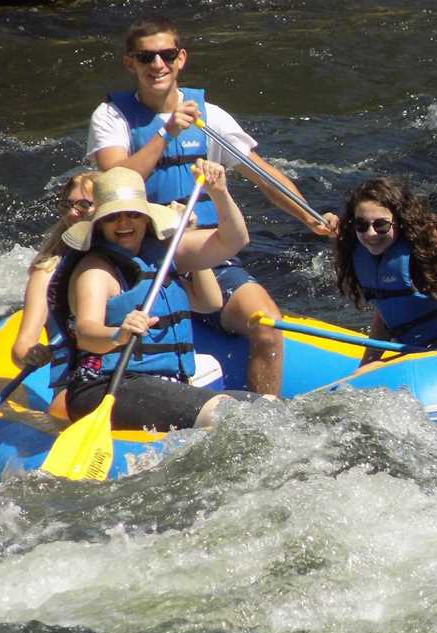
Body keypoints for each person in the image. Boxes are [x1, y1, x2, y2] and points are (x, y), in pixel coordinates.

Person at [86, 15, 335, 395]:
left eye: (166, 55)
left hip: (206, 253)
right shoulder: (112, 116)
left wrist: (309, 217)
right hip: (140, 251)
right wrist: (166, 132)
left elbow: (262, 174)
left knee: (267, 325)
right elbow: (117, 181)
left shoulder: (209, 116)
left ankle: (265, 420)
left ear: (181, 58)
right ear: (130, 63)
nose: (157, 65)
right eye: (146, 57)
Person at [59, 162, 260, 432]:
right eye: (112, 217)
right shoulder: (96, 270)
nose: (123, 223)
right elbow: (85, 332)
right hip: (108, 387)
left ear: (146, 218)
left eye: (133, 214)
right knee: (226, 413)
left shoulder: (161, 255)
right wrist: (118, 334)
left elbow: (214, 291)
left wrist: (219, 194)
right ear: (100, 224)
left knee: (267, 407)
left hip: (164, 384)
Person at [335, 177, 437, 366]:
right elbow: (388, 310)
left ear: (400, 221)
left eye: (381, 225)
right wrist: (368, 363)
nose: (370, 234)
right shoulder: (363, 254)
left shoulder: (436, 246)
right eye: (361, 225)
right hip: (419, 353)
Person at [11, 171, 99, 419]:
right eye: (67, 205)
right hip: (76, 382)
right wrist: (31, 352)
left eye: (84, 205)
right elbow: (22, 346)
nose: (73, 213)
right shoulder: (48, 271)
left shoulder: (129, 258)